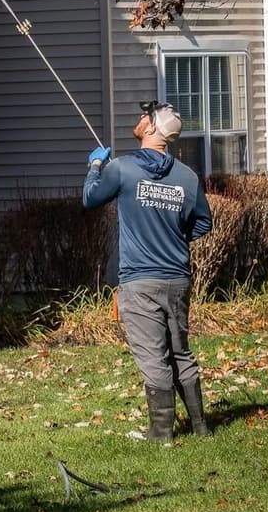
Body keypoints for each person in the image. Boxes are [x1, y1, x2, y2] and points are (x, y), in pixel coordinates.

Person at [83, 102, 213, 442]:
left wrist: (96, 165)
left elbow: (90, 198)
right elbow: (203, 222)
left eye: (145, 116)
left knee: (153, 356)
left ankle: (161, 434)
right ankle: (200, 429)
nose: (139, 119)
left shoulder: (123, 169)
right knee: (181, 351)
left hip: (140, 281)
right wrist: (173, 234)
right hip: (177, 279)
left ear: (153, 128)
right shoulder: (186, 176)